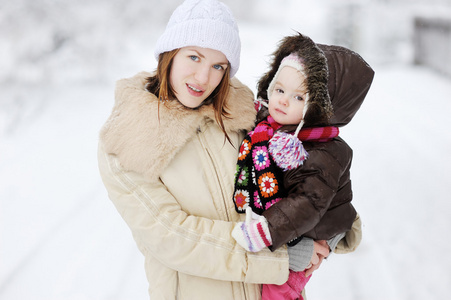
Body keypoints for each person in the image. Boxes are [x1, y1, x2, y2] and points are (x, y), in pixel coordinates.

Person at [97, 0, 363, 299]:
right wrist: (283, 257)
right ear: (169, 53)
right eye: (194, 57)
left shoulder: (241, 115)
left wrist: (334, 220)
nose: (203, 78)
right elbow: (172, 237)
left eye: (218, 66)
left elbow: (301, 173)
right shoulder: (129, 136)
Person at [231, 33, 375, 299]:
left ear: (320, 109)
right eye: (279, 89)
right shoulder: (270, 129)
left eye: (299, 97)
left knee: (278, 289)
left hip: (313, 231)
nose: (283, 100)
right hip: (296, 231)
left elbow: (307, 202)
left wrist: (266, 231)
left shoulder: (323, 151)